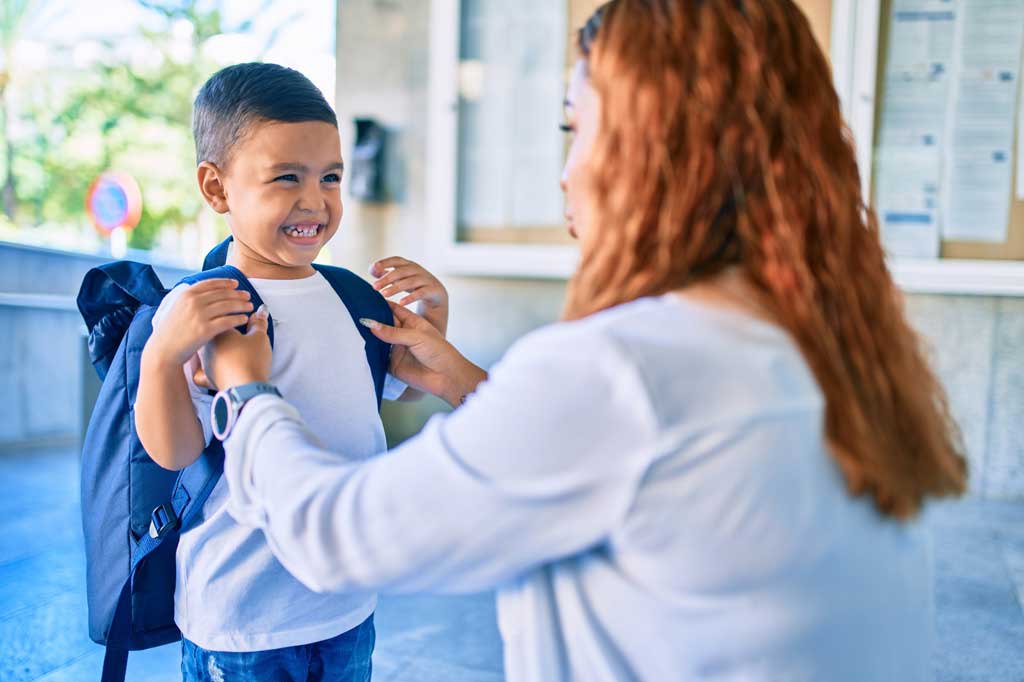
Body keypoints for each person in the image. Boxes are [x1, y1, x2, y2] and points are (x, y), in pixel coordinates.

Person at [204, 2, 968, 680]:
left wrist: (247, 390)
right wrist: (462, 381)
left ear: (655, 149)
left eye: (577, 127)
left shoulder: (624, 369)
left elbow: (335, 535)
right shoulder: (827, 343)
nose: (566, 172)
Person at [134, 62, 449, 681]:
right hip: (242, 613)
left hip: (344, 603)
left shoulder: (351, 295)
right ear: (217, 188)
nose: (315, 201)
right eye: (286, 178)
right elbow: (174, 451)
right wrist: (160, 357)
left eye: (331, 177)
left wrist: (434, 323)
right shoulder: (205, 303)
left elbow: (399, 390)